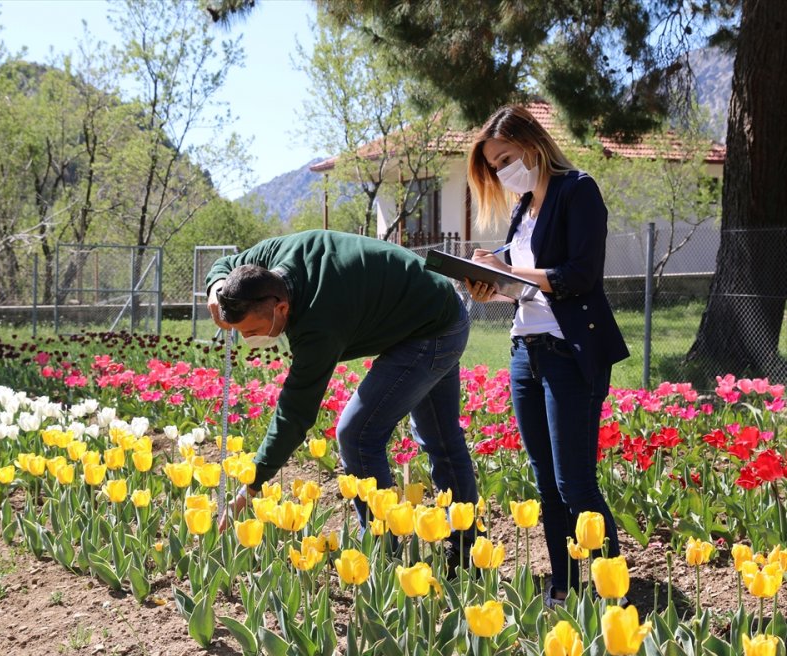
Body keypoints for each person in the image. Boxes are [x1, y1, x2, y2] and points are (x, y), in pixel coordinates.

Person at [206, 229, 477, 567]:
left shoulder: (319, 322)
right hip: (424, 309)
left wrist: (252, 486)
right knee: (441, 438)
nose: (248, 339)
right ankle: (466, 555)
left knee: (358, 433)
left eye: (252, 330)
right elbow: (226, 264)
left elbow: (295, 413)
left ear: (282, 307)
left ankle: (382, 555)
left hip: (434, 328)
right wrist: (216, 288)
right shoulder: (272, 261)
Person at [464, 104, 629, 606]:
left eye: (505, 158)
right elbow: (527, 285)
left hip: (567, 352)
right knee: (544, 482)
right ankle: (564, 586)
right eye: (494, 166)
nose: (501, 171)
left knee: (575, 482)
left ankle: (611, 593)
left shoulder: (578, 191)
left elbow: (579, 274)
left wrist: (511, 273)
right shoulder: (523, 210)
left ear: (533, 143)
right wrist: (492, 280)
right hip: (524, 351)